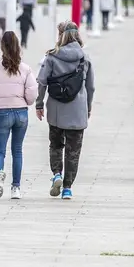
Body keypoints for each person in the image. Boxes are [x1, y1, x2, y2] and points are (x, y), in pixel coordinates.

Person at [36, 21, 95, 200]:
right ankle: (68, 188)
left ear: (60, 35)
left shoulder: (51, 57)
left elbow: (42, 82)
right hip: (77, 110)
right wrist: (88, 107)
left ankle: (57, 175)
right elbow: (90, 87)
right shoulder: (85, 58)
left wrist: (39, 104)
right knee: (73, 151)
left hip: (56, 109)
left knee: (55, 145)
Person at [0, 31, 35, 200]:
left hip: (2, 112)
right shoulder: (25, 69)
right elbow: (32, 93)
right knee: (17, 151)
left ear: (2, 47)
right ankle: (16, 188)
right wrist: (25, 101)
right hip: (21, 113)